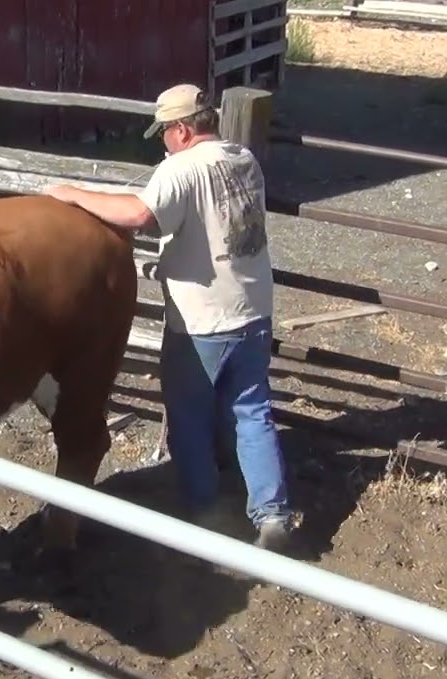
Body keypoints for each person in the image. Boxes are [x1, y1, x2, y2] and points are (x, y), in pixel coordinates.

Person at [42, 82, 297, 552]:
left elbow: (140, 215)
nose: (162, 140)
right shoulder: (243, 158)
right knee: (252, 412)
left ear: (181, 129)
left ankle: (204, 511)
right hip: (254, 310)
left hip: (201, 321)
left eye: (164, 131)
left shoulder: (179, 169)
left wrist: (74, 196)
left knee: (190, 416)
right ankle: (272, 514)